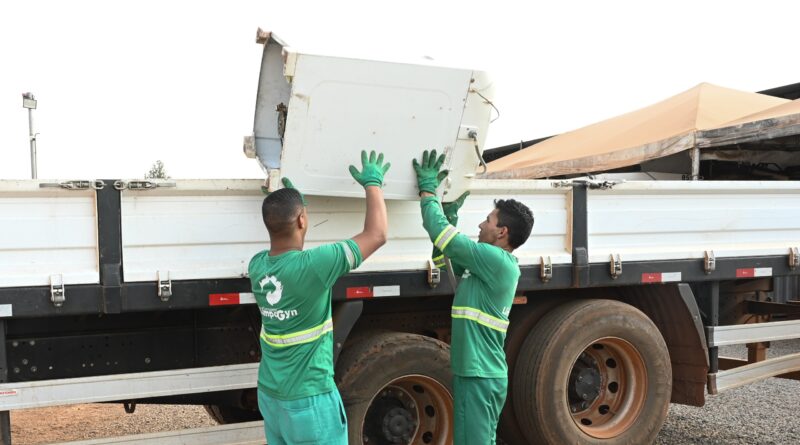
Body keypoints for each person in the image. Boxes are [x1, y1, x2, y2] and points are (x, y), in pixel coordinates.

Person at [249, 150, 391, 445]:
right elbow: (377, 234)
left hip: (272, 398)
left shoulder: (258, 265)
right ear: (302, 220)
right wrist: (373, 183)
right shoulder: (314, 266)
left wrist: (294, 209)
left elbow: (291, 253)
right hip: (309, 401)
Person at [412, 149, 534, 445]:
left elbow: (442, 235)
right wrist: (450, 214)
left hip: (480, 374)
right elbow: (443, 257)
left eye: (488, 221)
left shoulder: (495, 260)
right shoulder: (486, 263)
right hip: (475, 373)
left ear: (502, 232)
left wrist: (428, 192)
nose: (481, 225)